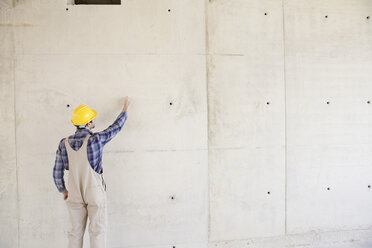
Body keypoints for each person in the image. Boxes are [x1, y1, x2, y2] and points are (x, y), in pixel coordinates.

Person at [53, 97, 130, 248]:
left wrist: (63, 190)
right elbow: (114, 128)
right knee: (97, 232)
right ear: (88, 124)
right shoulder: (96, 140)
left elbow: (56, 172)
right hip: (94, 193)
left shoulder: (64, 143)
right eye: (92, 119)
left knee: (74, 234)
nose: (94, 121)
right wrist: (125, 110)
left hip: (74, 193)